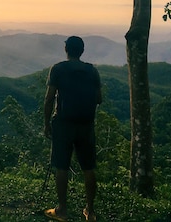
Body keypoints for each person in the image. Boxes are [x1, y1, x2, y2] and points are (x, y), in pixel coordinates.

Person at [43, 36, 102, 222]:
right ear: (82, 51)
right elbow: (99, 98)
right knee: (88, 167)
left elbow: (49, 98)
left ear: (66, 50)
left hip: (63, 123)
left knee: (62, 166)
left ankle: (62, 209)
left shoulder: (58, 69)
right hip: (86, 124)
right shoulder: (92, 71)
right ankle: (90, 212)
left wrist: (46, 123)